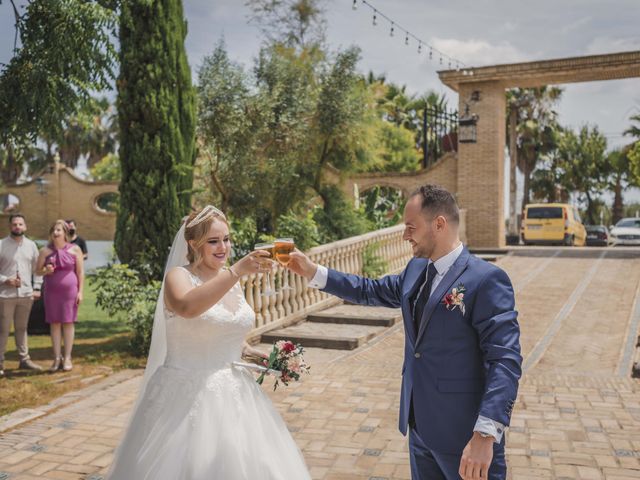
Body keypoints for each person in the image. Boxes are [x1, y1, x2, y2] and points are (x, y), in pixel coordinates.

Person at [288, 185, 522, 480]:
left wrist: (486, 434)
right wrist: (313, 272)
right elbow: (370, 290)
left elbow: (505, 361)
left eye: (411, 227)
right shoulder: (415, 269)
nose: (404, 236)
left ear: (439, 224)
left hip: (466, 438)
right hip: (420, 430)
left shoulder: (486, 280)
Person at [107, 205, 311, 480]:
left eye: (226, 239)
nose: (223, 247)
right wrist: (237, 270)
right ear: (194, 244)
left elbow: (222, 335)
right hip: (184, 396)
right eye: (213, 241)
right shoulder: (179, 276)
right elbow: (188, 308)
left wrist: (258, 356)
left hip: (236, 393)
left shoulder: (231, 281)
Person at [37, 220, 84, 372]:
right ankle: (57, 358)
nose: (55, 232)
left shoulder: (75, 249)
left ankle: (68, 357)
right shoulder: (45, 251)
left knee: (68, 322)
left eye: (58, 230)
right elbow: (37, 271)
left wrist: (80, 291)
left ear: (65, 233)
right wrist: (46, 271)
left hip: (70, 292)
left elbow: (80, 272)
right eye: (53, 230)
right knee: (55, 323)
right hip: (51, 292)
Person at [0, 214, 43, 376]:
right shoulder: (1, 245)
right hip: (5, 295)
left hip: (26, 294)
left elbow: (38, 269)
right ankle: (0, 362)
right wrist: (6, 280)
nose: (17, 227)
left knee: (22, 328)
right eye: (14, 224)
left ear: (25, 226)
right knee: (3, 329)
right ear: (10, 226)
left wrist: (37, 287)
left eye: (20, 224)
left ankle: (24, 360)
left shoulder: (31, 246)